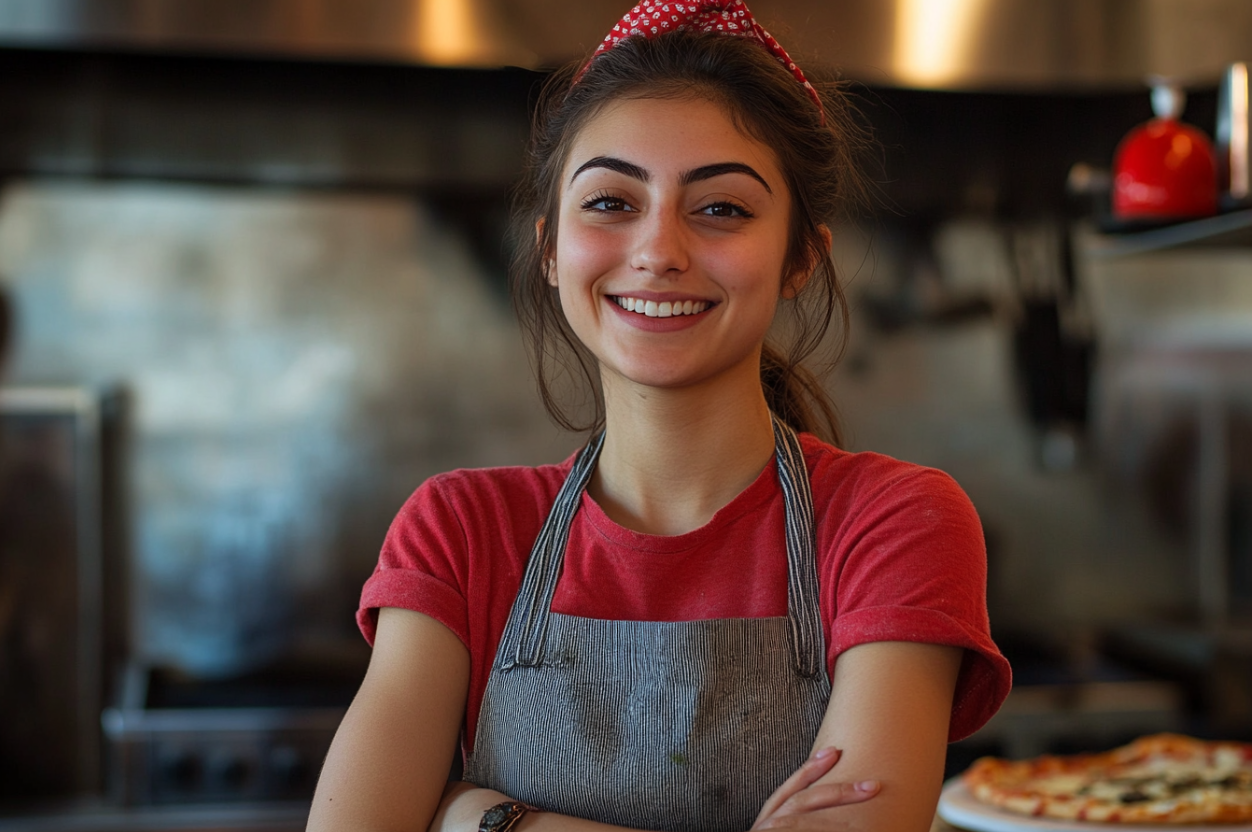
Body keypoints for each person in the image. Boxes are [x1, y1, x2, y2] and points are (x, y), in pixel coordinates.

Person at [308, 2, 1011, 831]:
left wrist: (487, 820)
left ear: (799, 259)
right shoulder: (459, 531)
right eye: (610, 202)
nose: (658, 249)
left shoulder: (895, 523)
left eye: (721, 209)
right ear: (549, 248)